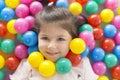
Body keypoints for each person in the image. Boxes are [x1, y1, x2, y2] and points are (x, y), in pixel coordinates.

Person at [9, 5, 98, 80]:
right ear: (37, 38)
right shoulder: (29, 64)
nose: (51, 46)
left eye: (60, 39)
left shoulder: (82, 64)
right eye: (45, 38)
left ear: (73, 40)